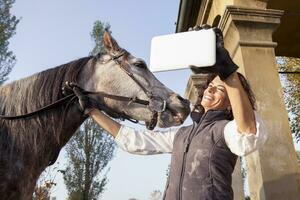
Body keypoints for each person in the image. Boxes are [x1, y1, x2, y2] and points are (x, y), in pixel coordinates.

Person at [74, 27, 267, 200]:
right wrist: (91, 110)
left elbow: (248, 132)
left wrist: (228, 73)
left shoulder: (226, 131)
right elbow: (134, 140)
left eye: (220, 89)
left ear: (230, 105)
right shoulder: (181, 135)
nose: (209, 89)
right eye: (210, 85)